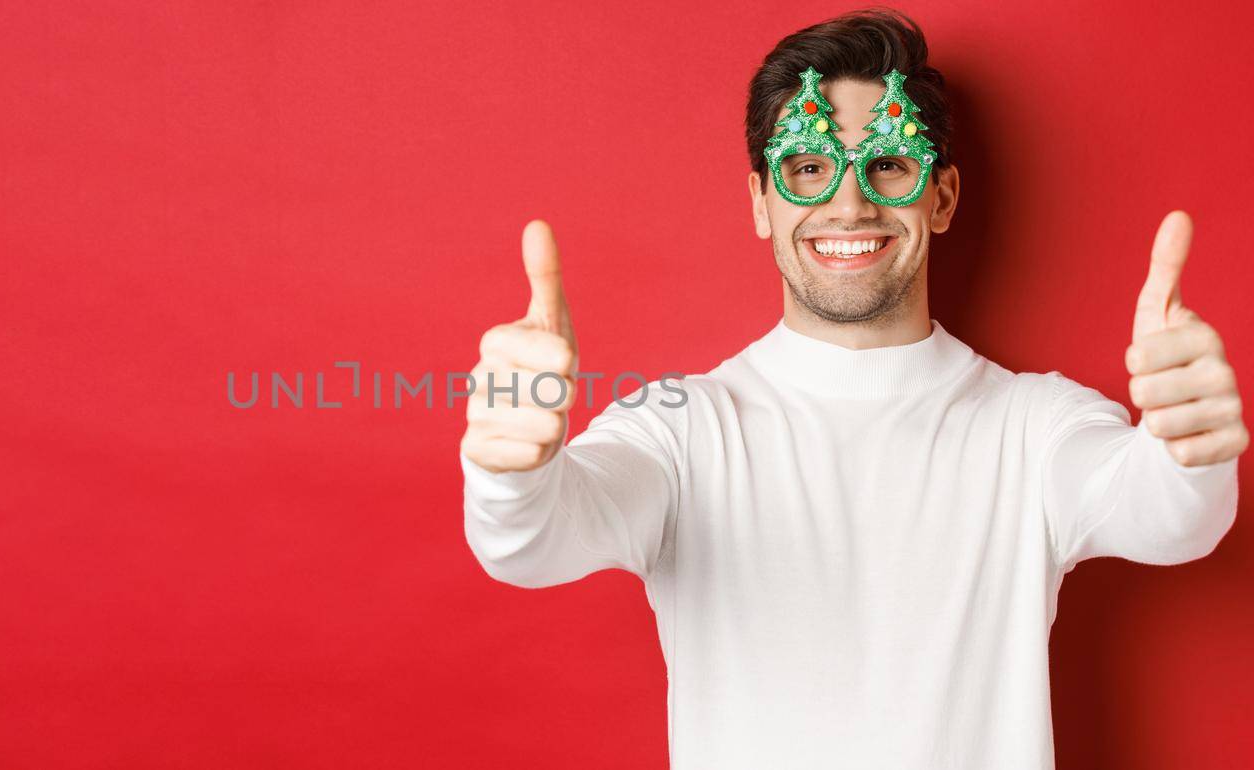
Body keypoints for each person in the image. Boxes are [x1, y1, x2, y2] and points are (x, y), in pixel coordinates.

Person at [457, 9, 1246, 769]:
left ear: (940, 198)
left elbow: (1164, 516)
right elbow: (533, 542)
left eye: (890, 164)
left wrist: (1190, 450)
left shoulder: (1036, 426)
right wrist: (509, 475)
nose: (848, 203)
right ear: (761, 204)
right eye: (806, 168)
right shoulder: (681, 427)